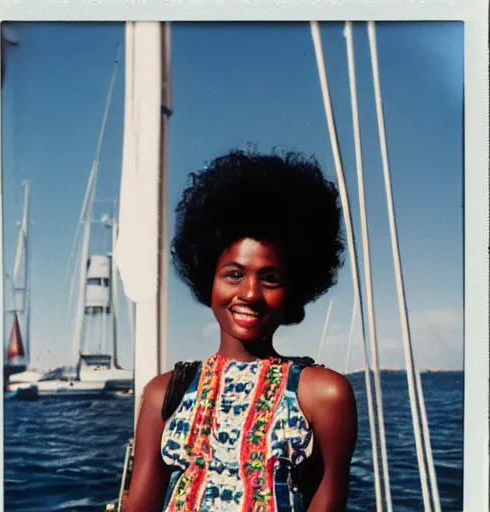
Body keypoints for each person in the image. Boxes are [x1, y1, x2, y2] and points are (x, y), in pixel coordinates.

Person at [122, 149, 358, 512]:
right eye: (234, 274)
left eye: (270, 278)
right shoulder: (162, 394)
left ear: (293, 289)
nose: (249, 293)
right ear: (209, 281)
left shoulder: (325, 395)